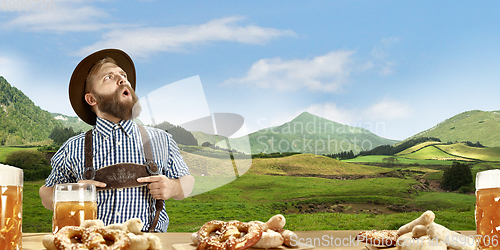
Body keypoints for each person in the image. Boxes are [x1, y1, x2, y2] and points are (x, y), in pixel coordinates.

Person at [39, 49, 195, 232]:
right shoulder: (73, 147)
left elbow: (188, 182)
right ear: (91, 98)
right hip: (93, 243)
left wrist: (173, 187)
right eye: (109, 77)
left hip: (148, 244)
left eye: (123, 75)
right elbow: (45, 194)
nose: (122, 79)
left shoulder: (162, 140)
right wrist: (74, 192)